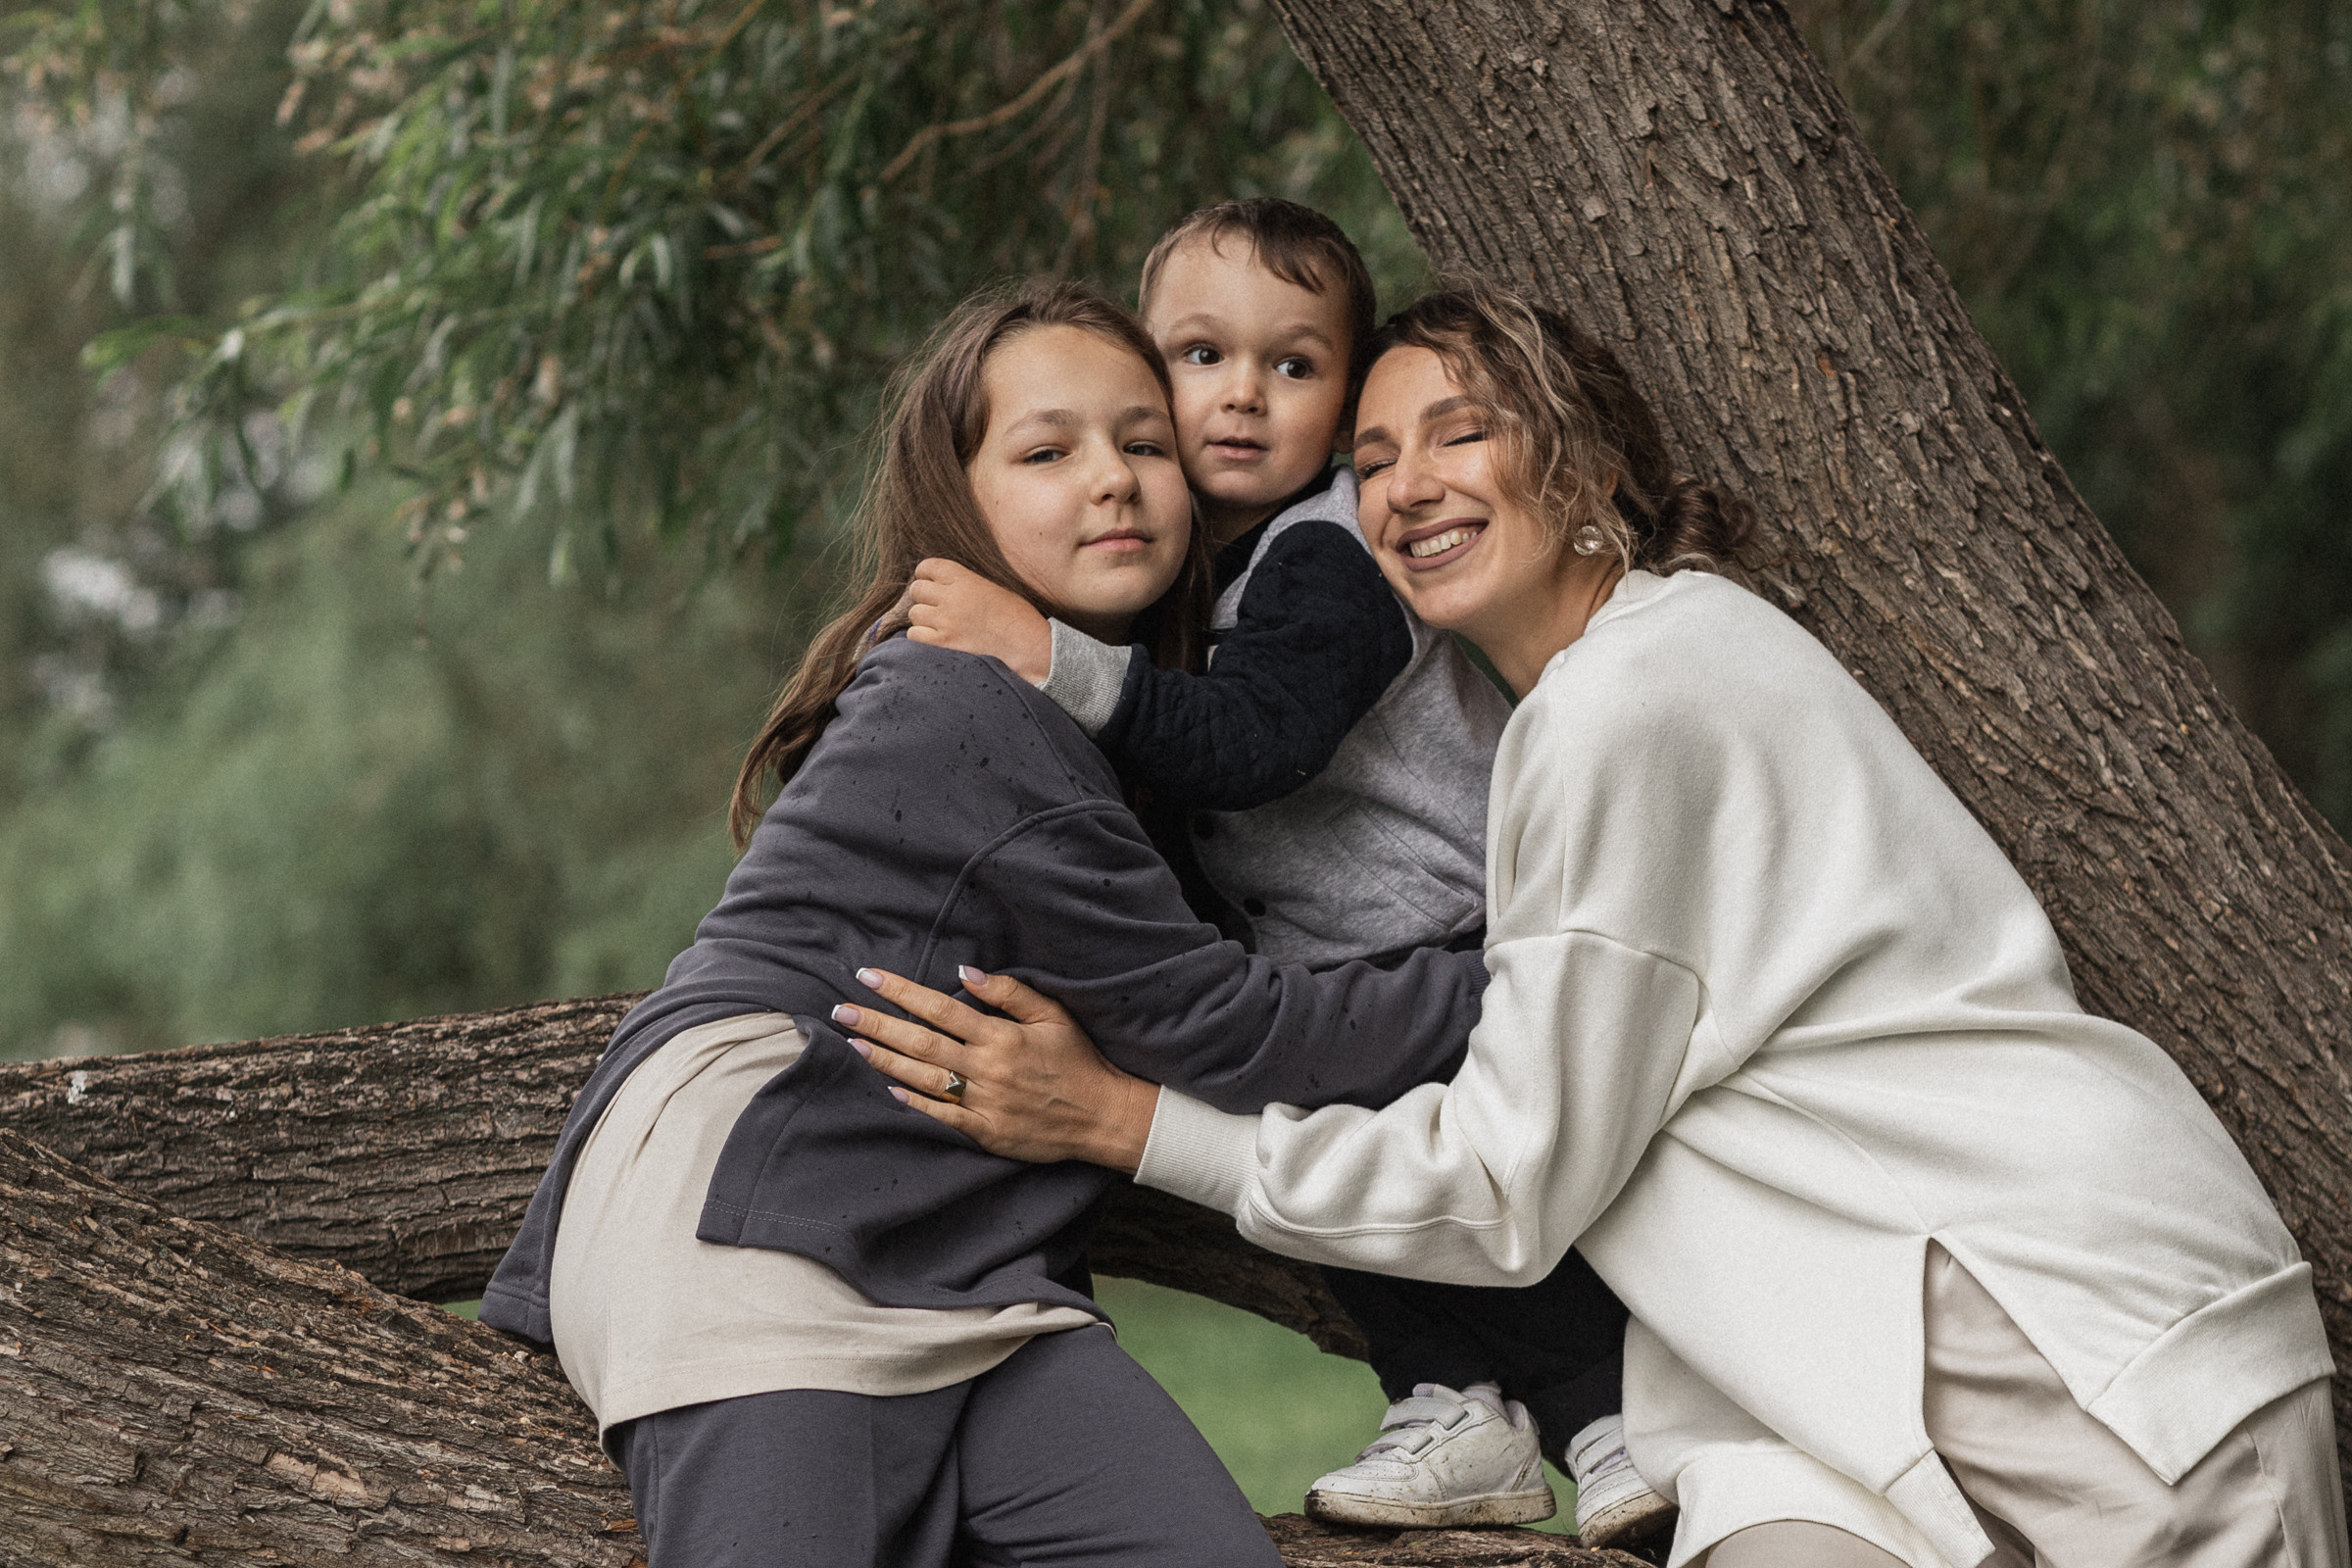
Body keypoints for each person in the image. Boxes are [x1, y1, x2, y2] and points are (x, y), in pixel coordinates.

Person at [843, 282, 2349, 1568]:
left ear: (1590, 462)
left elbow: (1505, 1181)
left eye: (1462, 429)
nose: (1407, 484)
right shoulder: (1604, 695)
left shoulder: (1639, 697)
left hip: (2066, 1326)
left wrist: (1126, 1122)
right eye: (1370, 458)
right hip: (1828, 1399)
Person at [475, 278, 1514, 1568]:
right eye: (1046, 451)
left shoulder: (1101, 736)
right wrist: (1534, 970)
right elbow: (1232, 1034)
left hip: (970, 1265)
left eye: (1145, 444)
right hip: (769, 1218)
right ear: (956, 499)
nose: (1113, 481)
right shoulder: (960, 704)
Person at [903, 198, 1669, 1544]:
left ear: (1348, 395)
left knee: (1476, 1183)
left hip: (1450, 942)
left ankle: (1614, 1413)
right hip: (1332, 963)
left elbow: (1255, 744)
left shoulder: (1331, 551)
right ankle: (1460, 1406)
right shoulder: (1202, 563)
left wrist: (1042, 656)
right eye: (1201, 357)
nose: (1243, 396)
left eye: (1294, 365)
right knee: (1335, 1174)